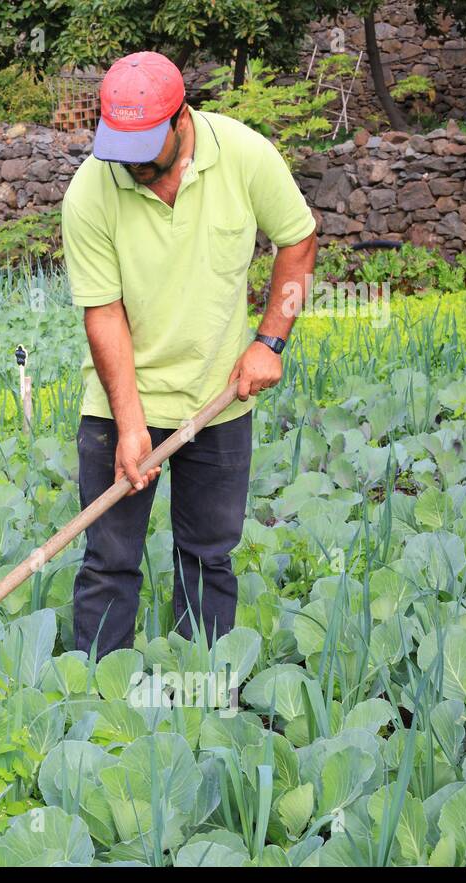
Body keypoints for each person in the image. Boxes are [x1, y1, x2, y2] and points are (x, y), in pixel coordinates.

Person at [60, 50, 318, 657]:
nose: (133, 167)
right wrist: (129, 427)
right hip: (121, 401)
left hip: (218, 399)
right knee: (109, 561)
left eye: (146, 149)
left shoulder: (246, 155)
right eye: (121, 152)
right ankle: (100, 707)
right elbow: (104, 315)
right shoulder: (90, 192)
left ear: (181, 121)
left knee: (208, 558)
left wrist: (269, 340)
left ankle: (200, 699)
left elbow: (298, 240)